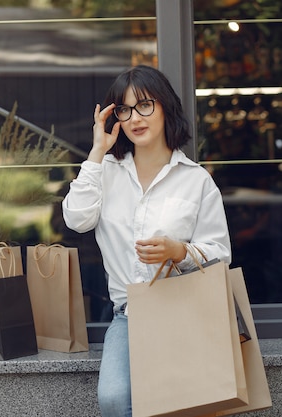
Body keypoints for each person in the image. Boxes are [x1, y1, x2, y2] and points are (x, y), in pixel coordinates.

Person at [62, 65, 231, 417]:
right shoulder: (105, 171)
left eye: (144, 105)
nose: (135, 117)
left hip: (186, 311)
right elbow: (76, 220)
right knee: (113, 398)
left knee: (183, 406)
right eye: (123, 110)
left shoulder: (196, 180)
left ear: (165, 106)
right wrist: (97, 151)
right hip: (129, 316)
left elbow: (221, 255)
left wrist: (180, 251)